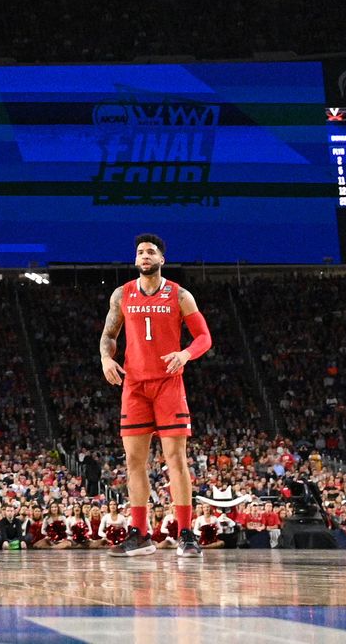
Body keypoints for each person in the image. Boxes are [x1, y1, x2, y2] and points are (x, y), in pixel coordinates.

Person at [99, 234, 212, 559]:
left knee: (175, 460)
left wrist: (186, 354)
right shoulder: (122, 294)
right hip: (134, 385)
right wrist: (107, 358)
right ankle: (140, 534)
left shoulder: (180, 295)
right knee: (134, 461)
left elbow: (204, 336)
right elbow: (108, 335)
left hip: (168, 385)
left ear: (162, 258)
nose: (144, 255)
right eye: (140, 251)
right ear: (136, 260)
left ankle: (186, 533)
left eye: (150, 251)